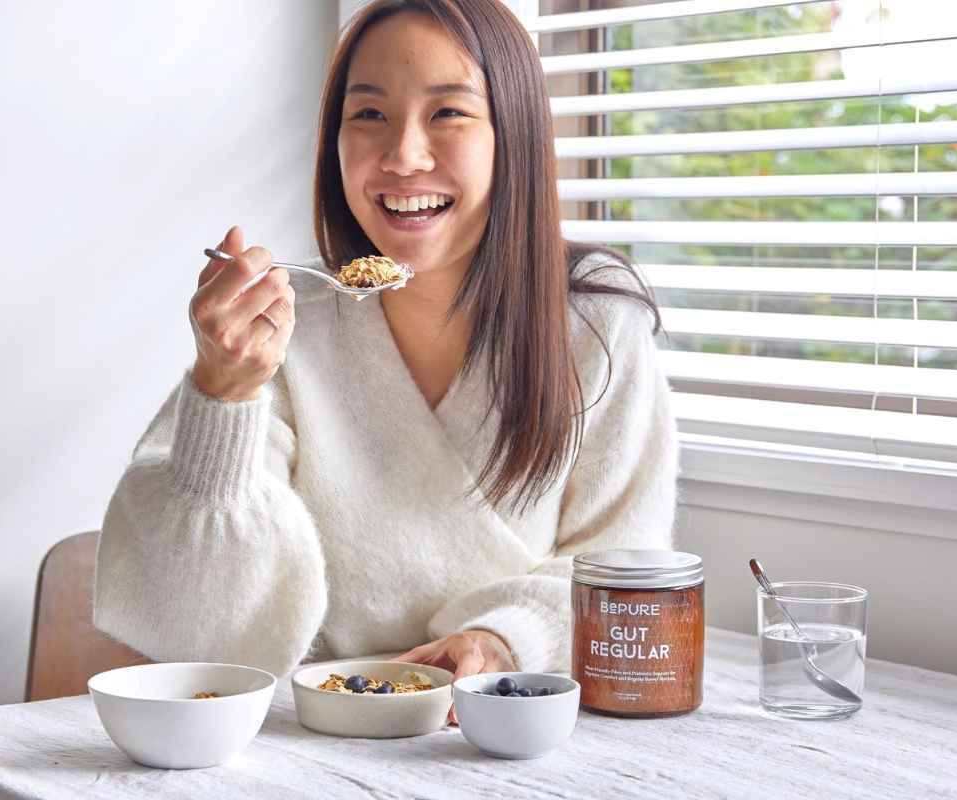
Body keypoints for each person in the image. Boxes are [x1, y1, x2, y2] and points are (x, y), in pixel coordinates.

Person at [93, 0, 677, 697]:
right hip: (314, 736)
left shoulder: (596, 323)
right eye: (368, 115)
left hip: (515, 731)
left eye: (449, 113)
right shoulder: (286, 330)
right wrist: (223, 395)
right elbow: (192, 626)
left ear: (513, 134)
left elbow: (626, 569)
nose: (403, 156)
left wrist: (502, 639)